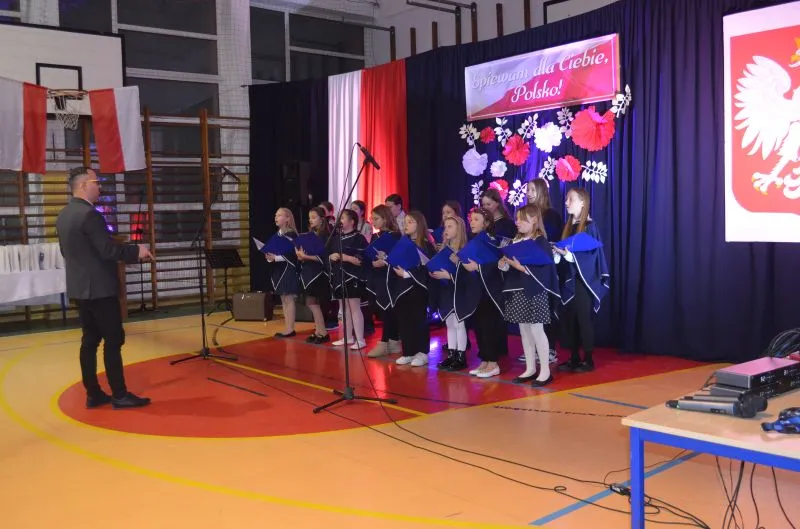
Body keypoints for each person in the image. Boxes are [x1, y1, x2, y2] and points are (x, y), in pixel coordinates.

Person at [56, 166, 152, 410]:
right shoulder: (90, 215)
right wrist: (137, 250)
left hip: (80, 288)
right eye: (95, 182)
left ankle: (94, 393)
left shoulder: (64, 214)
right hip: (100, 289)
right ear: (82, 186)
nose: (100, 186)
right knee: (113, 339)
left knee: (89, 341)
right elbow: (108, 250)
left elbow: (68, 252)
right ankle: (119, 394)